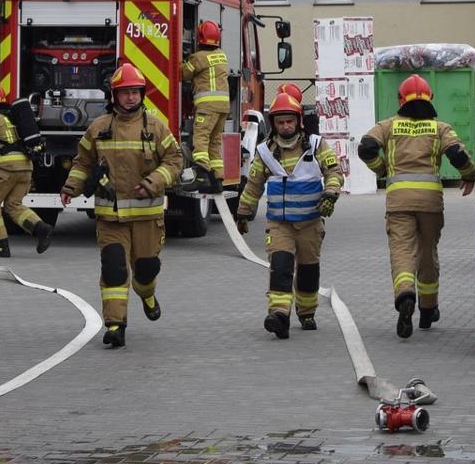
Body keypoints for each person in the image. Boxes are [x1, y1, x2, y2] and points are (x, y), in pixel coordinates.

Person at [60, 64, 184, 348]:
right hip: (110, 217)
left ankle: (147, 294)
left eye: (134, 92)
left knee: (146, 270)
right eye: (124, 92)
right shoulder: (100, 128)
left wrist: (152, 183)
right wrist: (71, 187)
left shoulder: (155, 127)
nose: (130, 98)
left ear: (141, 94)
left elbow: (175, 161)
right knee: (114, 269)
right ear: (114, 96)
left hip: (147, 216)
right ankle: (115, 325)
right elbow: (83, 163)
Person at [359, 74, 475, 338]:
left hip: (399, 202)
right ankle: (428, 309)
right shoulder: (440, 128)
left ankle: (405, 295)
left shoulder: (387, 126)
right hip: (430, 204)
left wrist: (383, 169)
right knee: (427, 253)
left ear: (401, 99)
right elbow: (457, 154)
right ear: (430, 99)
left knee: (402, 250)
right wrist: (469, 175)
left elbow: (366, 147)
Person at [233, 91, 342, 339]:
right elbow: (253, 185)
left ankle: (306, 312)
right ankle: (279, 315)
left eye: (289, 121)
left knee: (308, 271)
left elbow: (334, 171)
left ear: (298, 121)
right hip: (280, 224)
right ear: (273, 124)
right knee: (280, 267)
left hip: (310, 223)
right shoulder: (265, 151)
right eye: (280, 122)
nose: (285, 126)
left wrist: (331, 192)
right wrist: (243, 214)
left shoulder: (315, 145)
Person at [0, 84, 52, 258]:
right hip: (26, 168)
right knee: (13, 205)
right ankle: (41, 229)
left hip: (6, 169)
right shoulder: (14, 118)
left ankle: (0, 245)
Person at [181, 20, 231, 192]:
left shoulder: (198, 57)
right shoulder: (221, 55)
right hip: (223, 107)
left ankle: (201, 176)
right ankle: (217, 180)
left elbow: (183, 74)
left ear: (200, 38)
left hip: (207, 106)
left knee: (201, 138)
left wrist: (180, 59)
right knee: (214, 142)